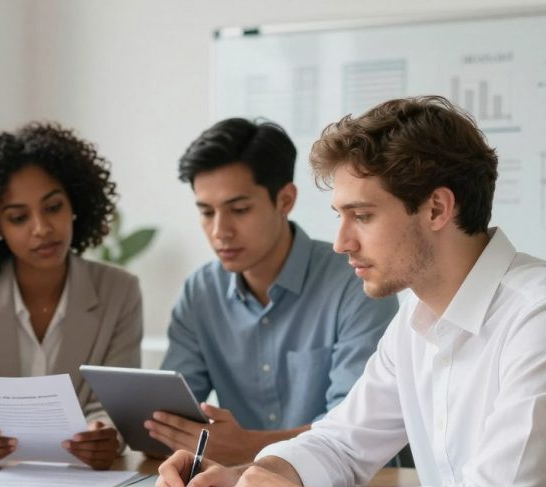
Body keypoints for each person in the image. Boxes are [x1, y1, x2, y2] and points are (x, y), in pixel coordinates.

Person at [156, 96, 546, 487]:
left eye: (362, 216)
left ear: (436, 208)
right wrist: (250, 480)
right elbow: (342, 443)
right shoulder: (416, 317)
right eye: (340, 216)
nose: (342, 241)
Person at [145, 118, 397, 464]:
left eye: (239, 210)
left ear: (285, 200)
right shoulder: (200, 291)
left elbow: (356, 431)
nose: (220, 231)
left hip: (348, 486)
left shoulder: (356, 281)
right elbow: (168, 418)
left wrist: (248, 446)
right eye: (206, 212)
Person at [0, 122, 142, 470]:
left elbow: (116, 404)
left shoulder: (119, 290)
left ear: (75, 204)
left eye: (53, 207)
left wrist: (105, 433)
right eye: (19, 217)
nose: (42, 228)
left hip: (84, 482)